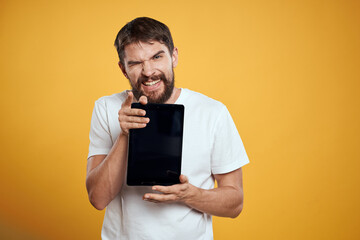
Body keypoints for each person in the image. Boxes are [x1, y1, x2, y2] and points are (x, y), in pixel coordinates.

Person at [86, 17, 249, 240]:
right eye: (135, 63)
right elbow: (98, 198)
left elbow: (235, 203)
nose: (148, 71)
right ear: (123, 70)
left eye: (157, 57)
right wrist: (124, 135)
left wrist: (190, 195)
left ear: (174, 56)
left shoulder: (213, 112)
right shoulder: (106, 108)